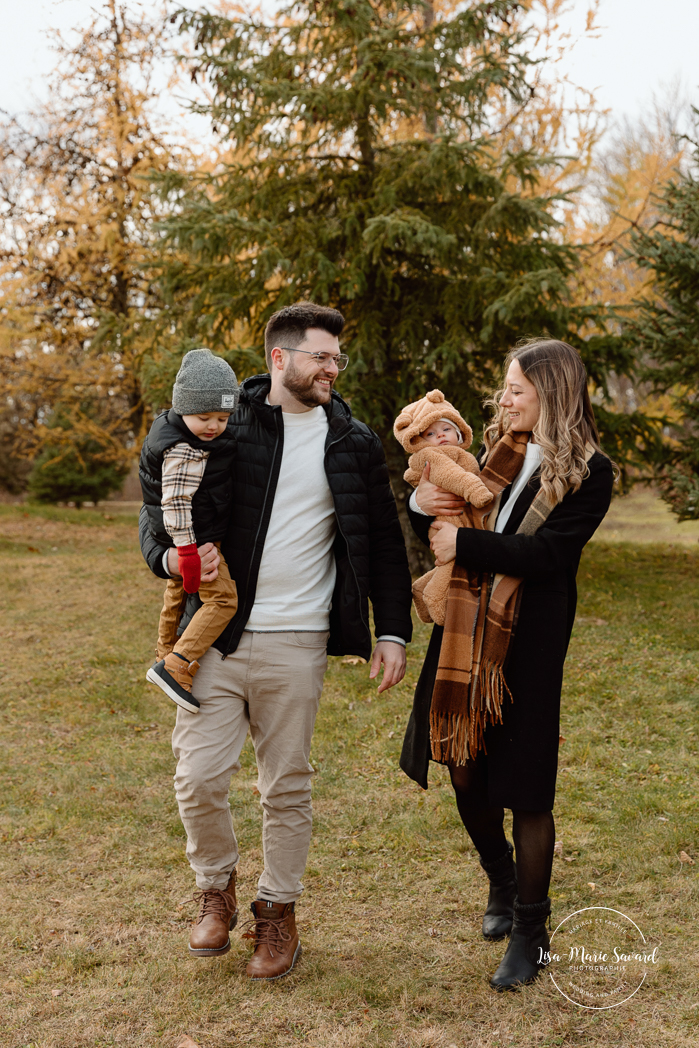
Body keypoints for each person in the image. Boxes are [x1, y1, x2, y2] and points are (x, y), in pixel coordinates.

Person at [139, 302, 412, 980]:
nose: (332, 367)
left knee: (285, 786)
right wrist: (167, 560)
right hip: (217, 638)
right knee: (197, 778)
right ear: (279, 360)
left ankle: (277, 913)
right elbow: (159, 501)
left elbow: (382, 542)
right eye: (321, 356)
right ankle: (216, 888)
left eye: (336, 359)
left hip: (297, 641)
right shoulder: (228, 429)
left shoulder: (351, 440)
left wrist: (394, 632)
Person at [400, 339, 614, 991]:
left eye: (517, 387)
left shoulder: (588, 471)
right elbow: (439, 508)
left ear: (551, 392)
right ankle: (498, 875)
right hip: (465, 631)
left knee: (522, 788)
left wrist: (462, 540)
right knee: (464, 773)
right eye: (505, 387)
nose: (505, 397)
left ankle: (530, 931)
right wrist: (423, 510)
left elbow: (549, 556)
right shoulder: (494, 453)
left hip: (529, 640)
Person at [140, 348, 240, 713]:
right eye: (204, 417)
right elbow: (176, 502)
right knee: (223, 599)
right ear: (183, 408)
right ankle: (177, 664)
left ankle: (163, 651)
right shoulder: (185, 449)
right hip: (192, 541)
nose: (213, 426)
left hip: (183, 538)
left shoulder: (175, 431)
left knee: (176, 593)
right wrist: (186, 552)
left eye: (223, 418)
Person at [393, 388, 493, 625]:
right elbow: (453, 476)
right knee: (451, 568)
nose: (440, 436)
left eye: (446, 429)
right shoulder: (435, 456)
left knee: (449, 565)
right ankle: (437, 605)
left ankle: (421, 588)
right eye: (431, 433)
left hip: (458, 522)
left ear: (460, 433)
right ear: (419, 440)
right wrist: (477, 492)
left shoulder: (463, 453)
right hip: (448, 522)